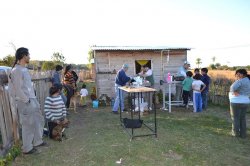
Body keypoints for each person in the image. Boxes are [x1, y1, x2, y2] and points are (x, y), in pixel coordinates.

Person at [10, 47, 47, 154]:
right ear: (23, 56)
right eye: (28, 55)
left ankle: (37, 141)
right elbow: (17, 88)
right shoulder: (16, 70)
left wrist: (32, 99)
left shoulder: (24, 69)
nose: (29, 57)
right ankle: (27, 148)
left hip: (32, 99)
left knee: (39, 120)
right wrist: (26, 100)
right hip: (25, 101)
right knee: (28, 124)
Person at [229, 69, 250, 138]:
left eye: (238, 74)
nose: (237, 75)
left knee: (235, 118)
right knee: (242, 118)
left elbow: (232, 87)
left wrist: (233, 91)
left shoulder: (240, 81)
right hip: (246, 101)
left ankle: (235, 133)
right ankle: (243, 134)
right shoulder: (248, 80)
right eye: (237, 74)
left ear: (243, 74)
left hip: (236, 101)